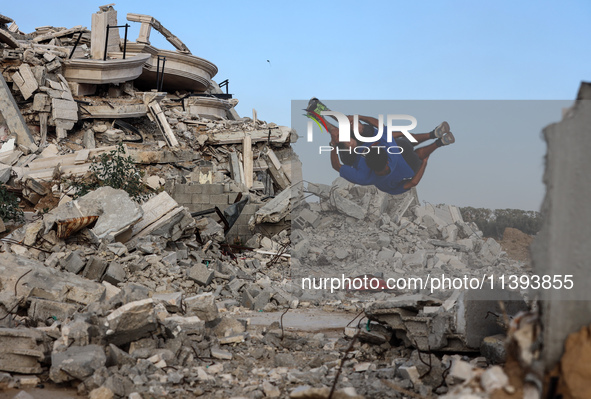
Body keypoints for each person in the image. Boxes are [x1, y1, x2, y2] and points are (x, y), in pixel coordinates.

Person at [306, 99, 455, 195]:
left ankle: (436, 140)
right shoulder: (387, 161)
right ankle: (435, 137)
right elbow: (336, 166)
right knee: (348, 130)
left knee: (346, 133)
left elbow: (413, 182)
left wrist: (334, 144)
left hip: (361, 154)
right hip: (395, 156)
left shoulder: (367, 175)